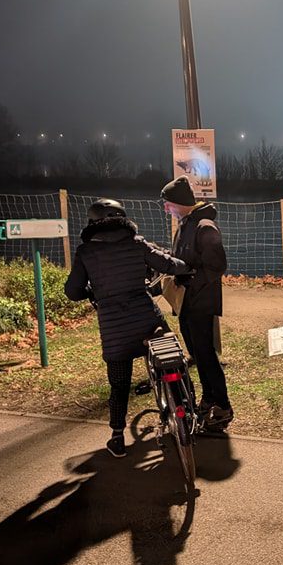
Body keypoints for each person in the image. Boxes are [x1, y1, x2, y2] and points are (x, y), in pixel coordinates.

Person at [64, 198, 191, 457]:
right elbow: (166, 263)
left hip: (114, 328)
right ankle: (187, 407)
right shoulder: (137, 243)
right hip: (146, 317)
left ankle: (117, 436)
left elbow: (72, 291)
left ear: (92, 223)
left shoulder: (86, 252)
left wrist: (91, 291)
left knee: (119, 383)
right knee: (171, 355)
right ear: (122, 219)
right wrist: (189, 267)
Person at [160, 175, 234, 432]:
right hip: (187, 304)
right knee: (197, 354)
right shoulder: (184, 225)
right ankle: (209, 398)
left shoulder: (204, 226)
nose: (166, 208)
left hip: (200, 303)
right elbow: (179, 258)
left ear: (180, 203)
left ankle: (223, 404)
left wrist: (189, 280)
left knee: (206, 355)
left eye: (168, 203)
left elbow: (217, 266)